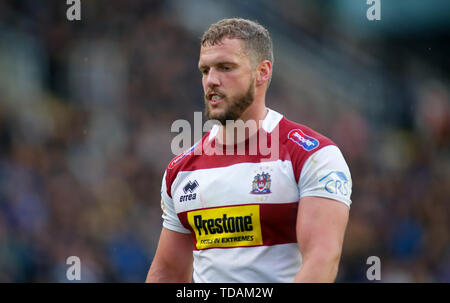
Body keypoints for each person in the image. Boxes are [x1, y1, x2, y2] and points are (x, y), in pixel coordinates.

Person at [146, 18, 352, 283]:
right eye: (205, 70)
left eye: (225, 67)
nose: (212, 80)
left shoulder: (313, 156)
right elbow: (167, 274)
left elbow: (322, 259)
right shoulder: (180, 171)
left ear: (262, 72)